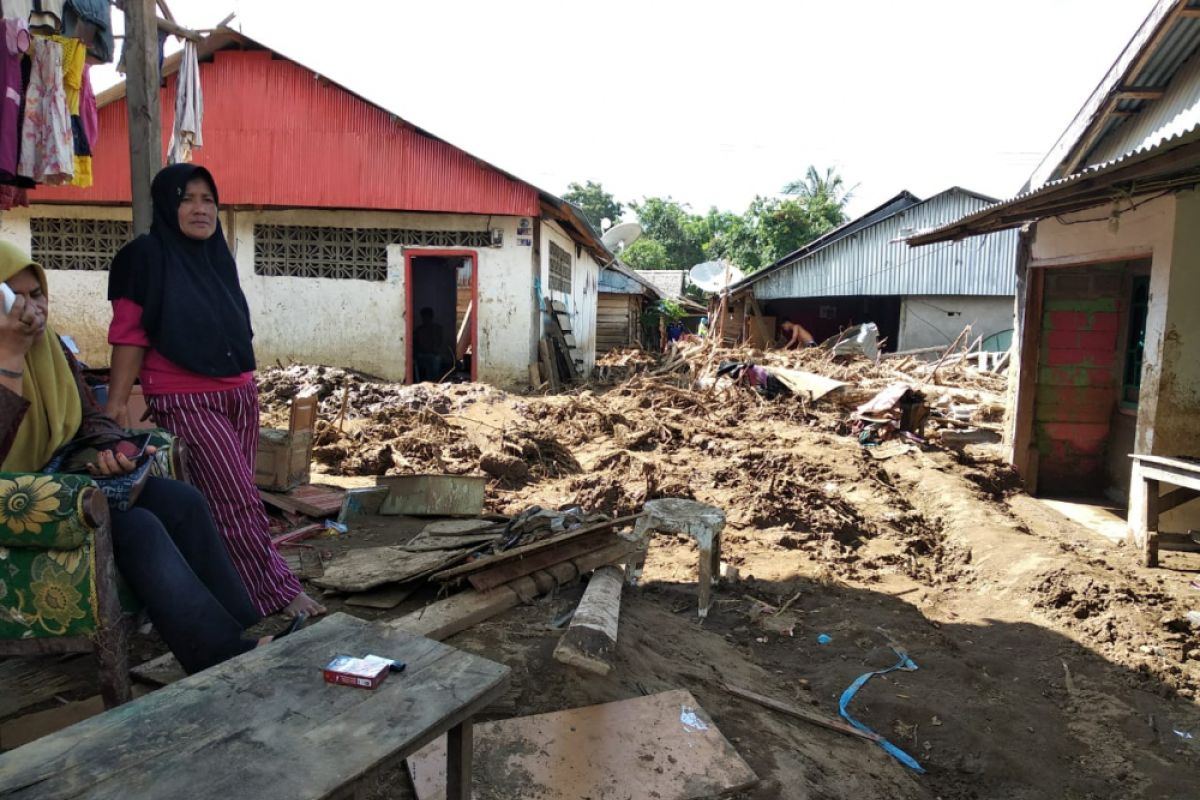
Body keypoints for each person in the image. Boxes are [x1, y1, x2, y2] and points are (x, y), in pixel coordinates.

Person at [0, 243, 280, 674]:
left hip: (61, 487)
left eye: (37, 293)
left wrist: (115, 448)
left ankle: (245, 626)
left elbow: (87, 419)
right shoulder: (15, 349)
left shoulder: (51, 349)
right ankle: (221, 656)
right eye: (13, 296)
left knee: (182, 501)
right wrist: (10, 355)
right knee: (138, 528)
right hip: (13, 503)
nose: (30, 308)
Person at [104, 164, 325, 620]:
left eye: (208, 199)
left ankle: (228, 588)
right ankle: (276, 596)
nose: (200, 209)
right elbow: (128, 335)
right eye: (187, 199)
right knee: (237, 502)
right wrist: (115, 405)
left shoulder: (216, 256)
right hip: (185, 398)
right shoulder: (143, 256)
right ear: (167, 204)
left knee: (238, 497)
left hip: (239, 393)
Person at [413, 306, 444, 382]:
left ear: (431, 317)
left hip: (433, 354)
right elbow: (415, 345)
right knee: (429, 362)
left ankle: (435, 381)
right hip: (421, 355)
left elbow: (439, 343)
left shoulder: (437, 329)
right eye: (424, 317)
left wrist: (435, 350)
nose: (425, 319)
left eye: (428, 317)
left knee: (437, 359)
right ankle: (429, 382)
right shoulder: (418, 330)